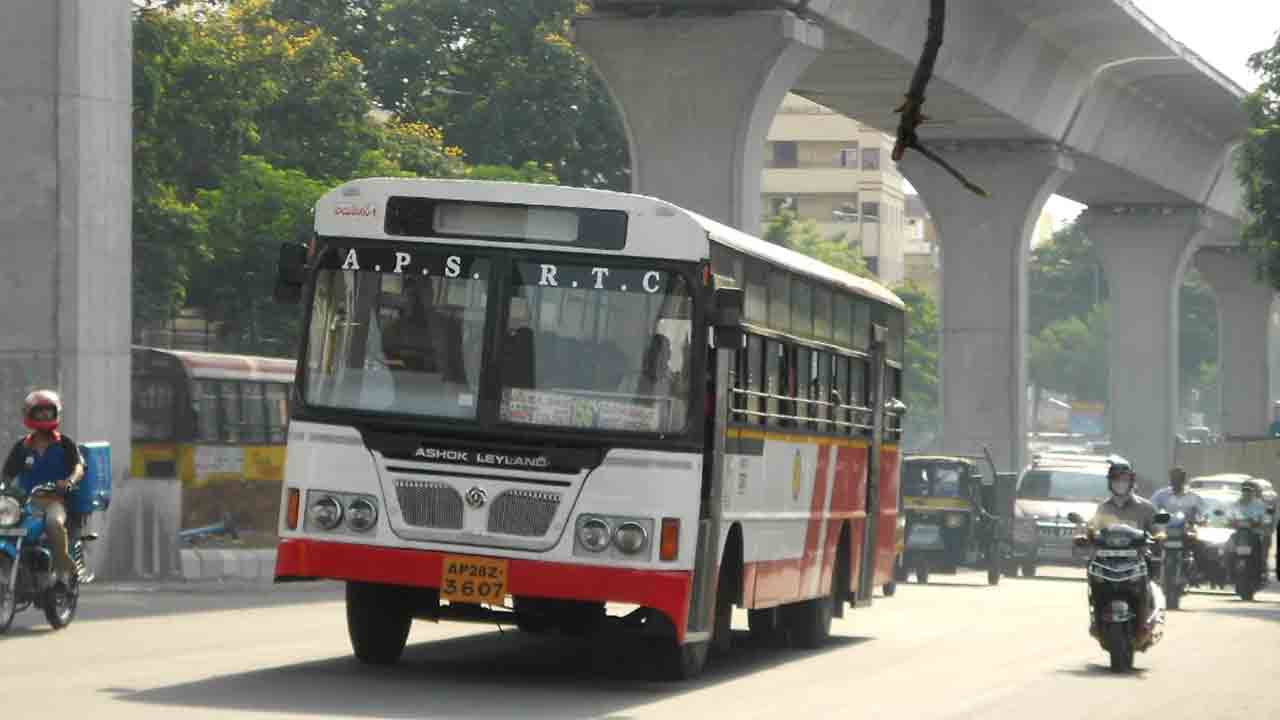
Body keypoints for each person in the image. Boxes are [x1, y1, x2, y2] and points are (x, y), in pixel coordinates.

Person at [0, 390, 86, 583]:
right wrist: (3, 488)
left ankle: (64, 570)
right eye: (40, 412)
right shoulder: (22, 447)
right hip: (25, 504)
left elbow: (78, 467)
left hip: (54, 501)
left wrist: (69, 481)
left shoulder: (65, 444)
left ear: (56, 413)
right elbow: (7, 474)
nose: (45, 417)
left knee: (53, 523)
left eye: (49, 412)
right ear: (29, 414)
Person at [1228, 479, 1269, 587]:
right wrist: (1230, 521)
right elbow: (1229, 516)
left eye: (1249, 490)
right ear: (1242, 491)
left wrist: (1260, 522)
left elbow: (1266, 517)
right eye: (1245, 490)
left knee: (1259, 553)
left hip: (1254, 533)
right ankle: (1229, 572)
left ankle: (1261, 573)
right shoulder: (1236, 504)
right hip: (1239, 534)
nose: (1247, 493)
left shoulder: (1259, 504)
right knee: (1228, 549)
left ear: (1253, 491)